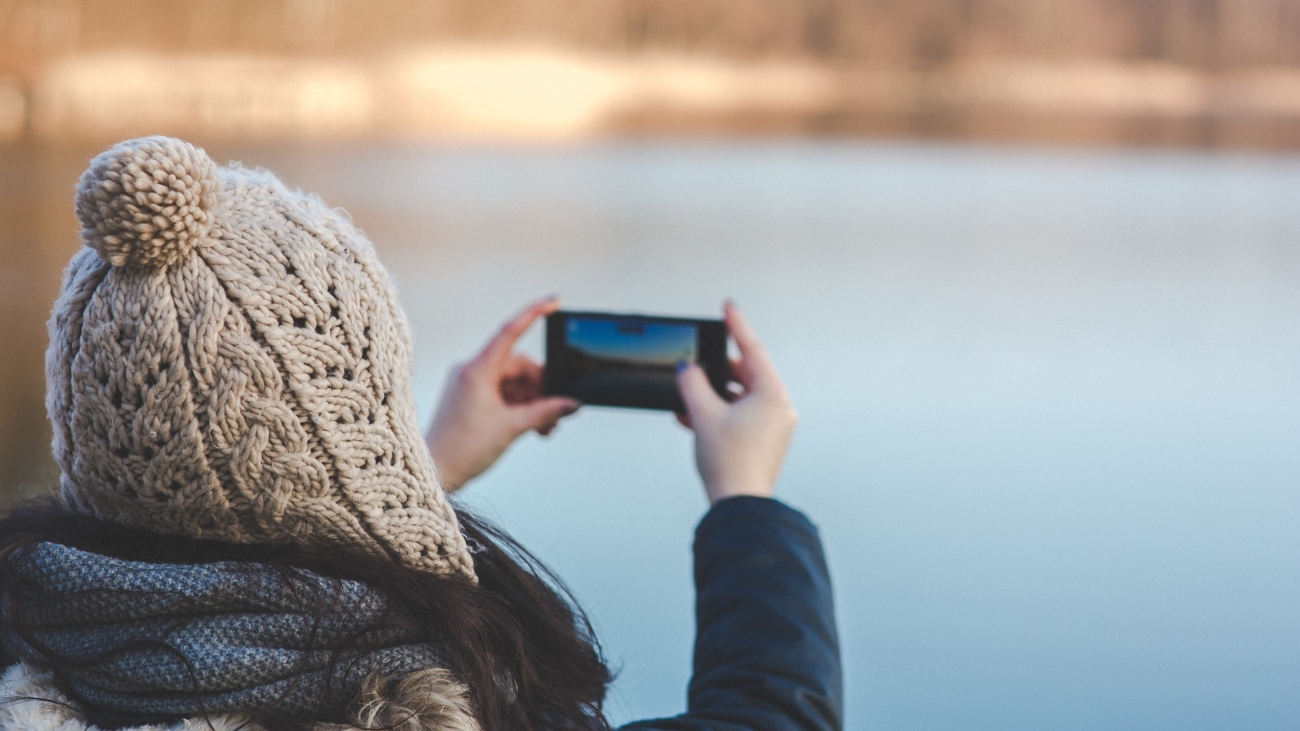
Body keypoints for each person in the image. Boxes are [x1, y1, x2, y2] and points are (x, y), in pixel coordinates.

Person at [0, 136, 841, 731]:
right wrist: (746, 499)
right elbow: (769, 712)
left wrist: (424, 469)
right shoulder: (460, 706)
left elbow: (230, 550)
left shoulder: (26, 662)